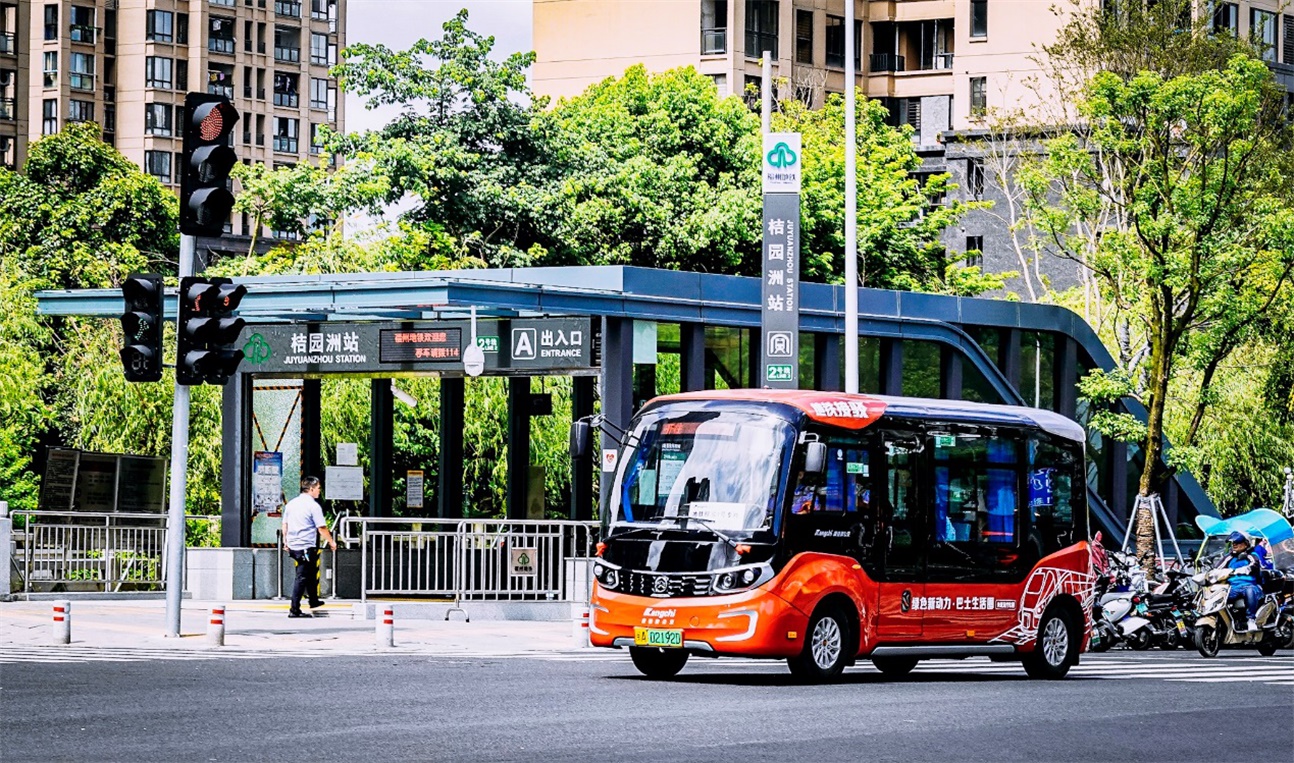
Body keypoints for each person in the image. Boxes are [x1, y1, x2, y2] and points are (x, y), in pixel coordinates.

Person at [282, 476, 337, 618]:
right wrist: (331, 541)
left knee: (311, 571)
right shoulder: (313, 506)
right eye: (318, 488)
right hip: (305, 545)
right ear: (311, 489)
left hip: (294, 545)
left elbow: (285, 524)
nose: (319, 491)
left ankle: (313, 600)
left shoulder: (291, 504)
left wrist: (285, 541)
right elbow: (322, 527)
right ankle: (294, 609)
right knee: (302, 576)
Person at [1215, 531, 1263, 631]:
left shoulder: (1251, 555)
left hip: (1249, 585)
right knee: (1217, 594)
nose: (1234, 545)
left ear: (1246, 543)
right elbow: (1217, 568)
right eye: (1233, 543)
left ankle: (1251, 620)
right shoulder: (1229, 557)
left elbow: (1255, 565)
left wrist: (1245, 569)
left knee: (1250, 591)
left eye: (1237, 542)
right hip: (1232, 587)